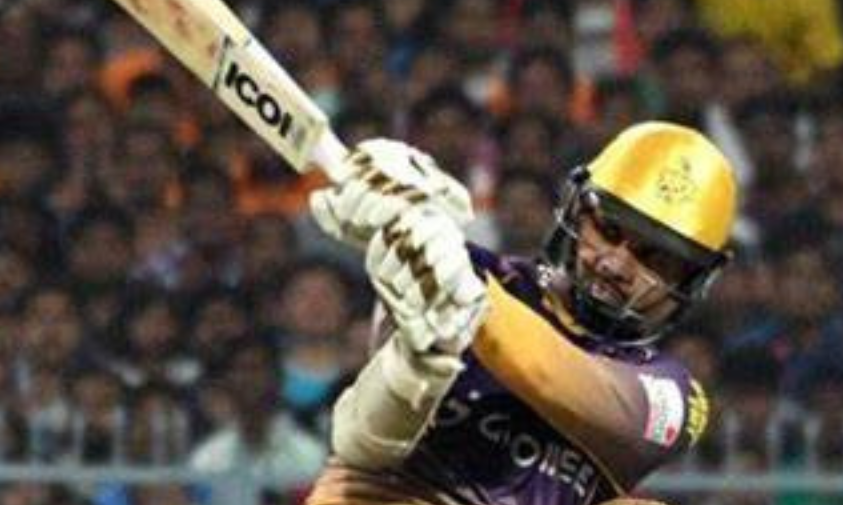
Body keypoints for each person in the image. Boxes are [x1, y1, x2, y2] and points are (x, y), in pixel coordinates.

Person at [303, 121, 737, 504]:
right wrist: (401, 223)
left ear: (694, 279)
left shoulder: (677, 395)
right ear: (575, 210)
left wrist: (464, 293)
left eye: (655, 258)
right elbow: (364, 435)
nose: (615, 264)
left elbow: (560, 378)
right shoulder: (459, 265)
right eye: (607, 230)